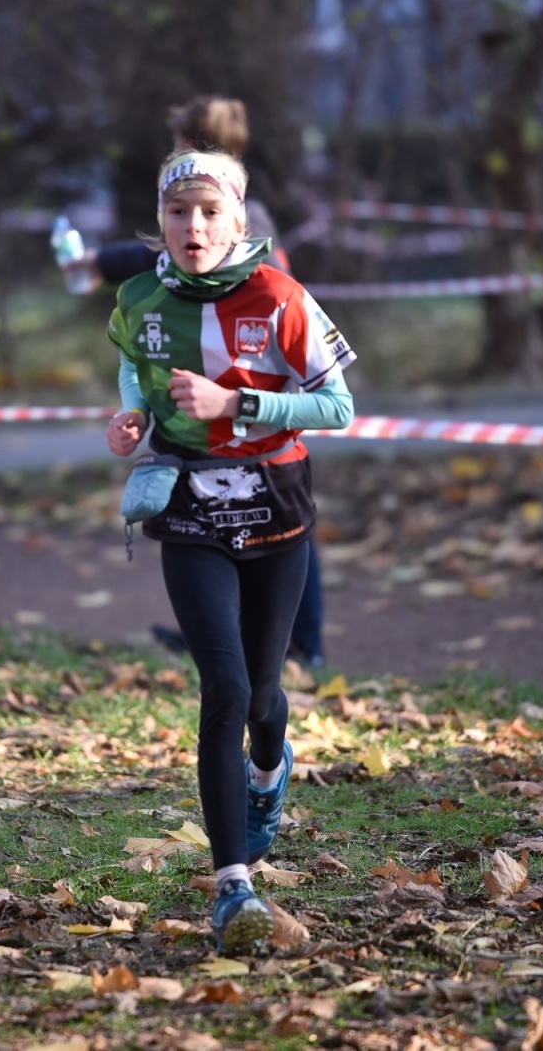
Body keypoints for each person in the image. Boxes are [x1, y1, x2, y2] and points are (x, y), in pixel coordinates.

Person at [105, 148, 355, 954]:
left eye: (211, 211)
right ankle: (232, 887)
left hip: (276, 514)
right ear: (162, 221)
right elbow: (135, 379)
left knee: (262, 700)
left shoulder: (279, 294)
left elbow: (340, 405)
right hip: (188, 512)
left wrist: (236, 400)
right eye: (179, 212)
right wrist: (133, 421)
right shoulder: (139, 297)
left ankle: (268, 768)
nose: (194, 226)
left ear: (238, 220)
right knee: (223, 685)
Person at [66, 95, 327, 666]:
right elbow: (156, 257)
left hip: (255, 413)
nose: (193, 226)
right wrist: (99, 265)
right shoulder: (186, 214)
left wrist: (247, 390)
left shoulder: (241, 214)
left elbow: (265, 290)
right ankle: (211, 635)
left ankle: (302, 642)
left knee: (284, 523)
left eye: (182, 143)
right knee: (209, 530)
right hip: (200, 418)